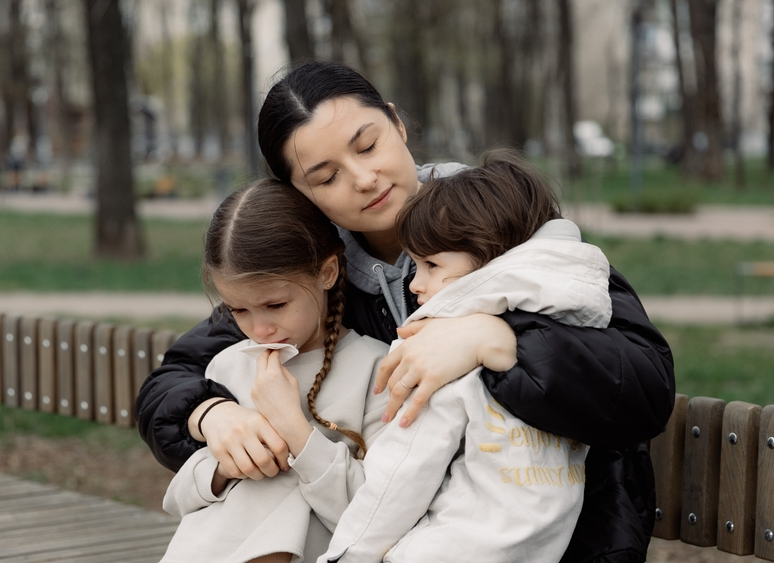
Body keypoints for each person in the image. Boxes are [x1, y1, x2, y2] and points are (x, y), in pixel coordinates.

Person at [136, 61, 674, 563]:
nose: (364, 179)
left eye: (368, 145)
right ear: (298, 196)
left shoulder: (501, 222)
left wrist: (493, 342)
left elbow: (643, 384)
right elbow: (174, 379)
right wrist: (211, 416)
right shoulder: (315, 274)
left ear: (397, 124)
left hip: (551, 542)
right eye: (326, 178)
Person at [320, 150, 609, 563]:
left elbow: (402, 473)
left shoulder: (436, 346)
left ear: (488, 259)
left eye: (431, 265)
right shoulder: (568, 320)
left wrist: (348, 554)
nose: (416, 284)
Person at [160, 179, 391, 563]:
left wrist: (296, 432)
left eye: (276, 304)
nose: (260, 329)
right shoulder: (229, 363)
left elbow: (374, 515)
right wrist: (223, 466)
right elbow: (181, 500)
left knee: (284, 487)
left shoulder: (376, 369)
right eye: (238, 310)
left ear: (327, 273)